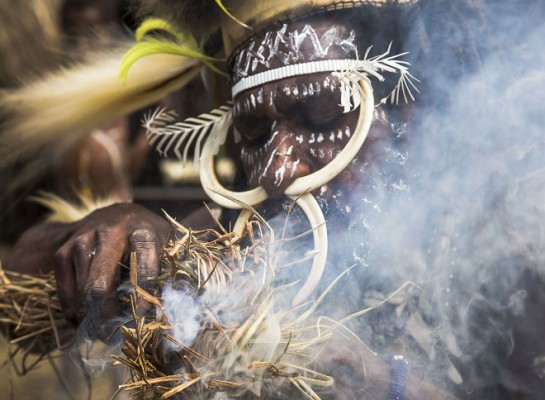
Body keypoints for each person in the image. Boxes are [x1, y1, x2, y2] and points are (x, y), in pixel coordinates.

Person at [4, 0, 545, 398]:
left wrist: (386, 386)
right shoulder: (253, 226)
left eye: (321, 118)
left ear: (408, 108)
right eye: (256, 131)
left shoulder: (511, 241)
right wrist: (108, 232)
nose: (281, 171)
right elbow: (20, 279)